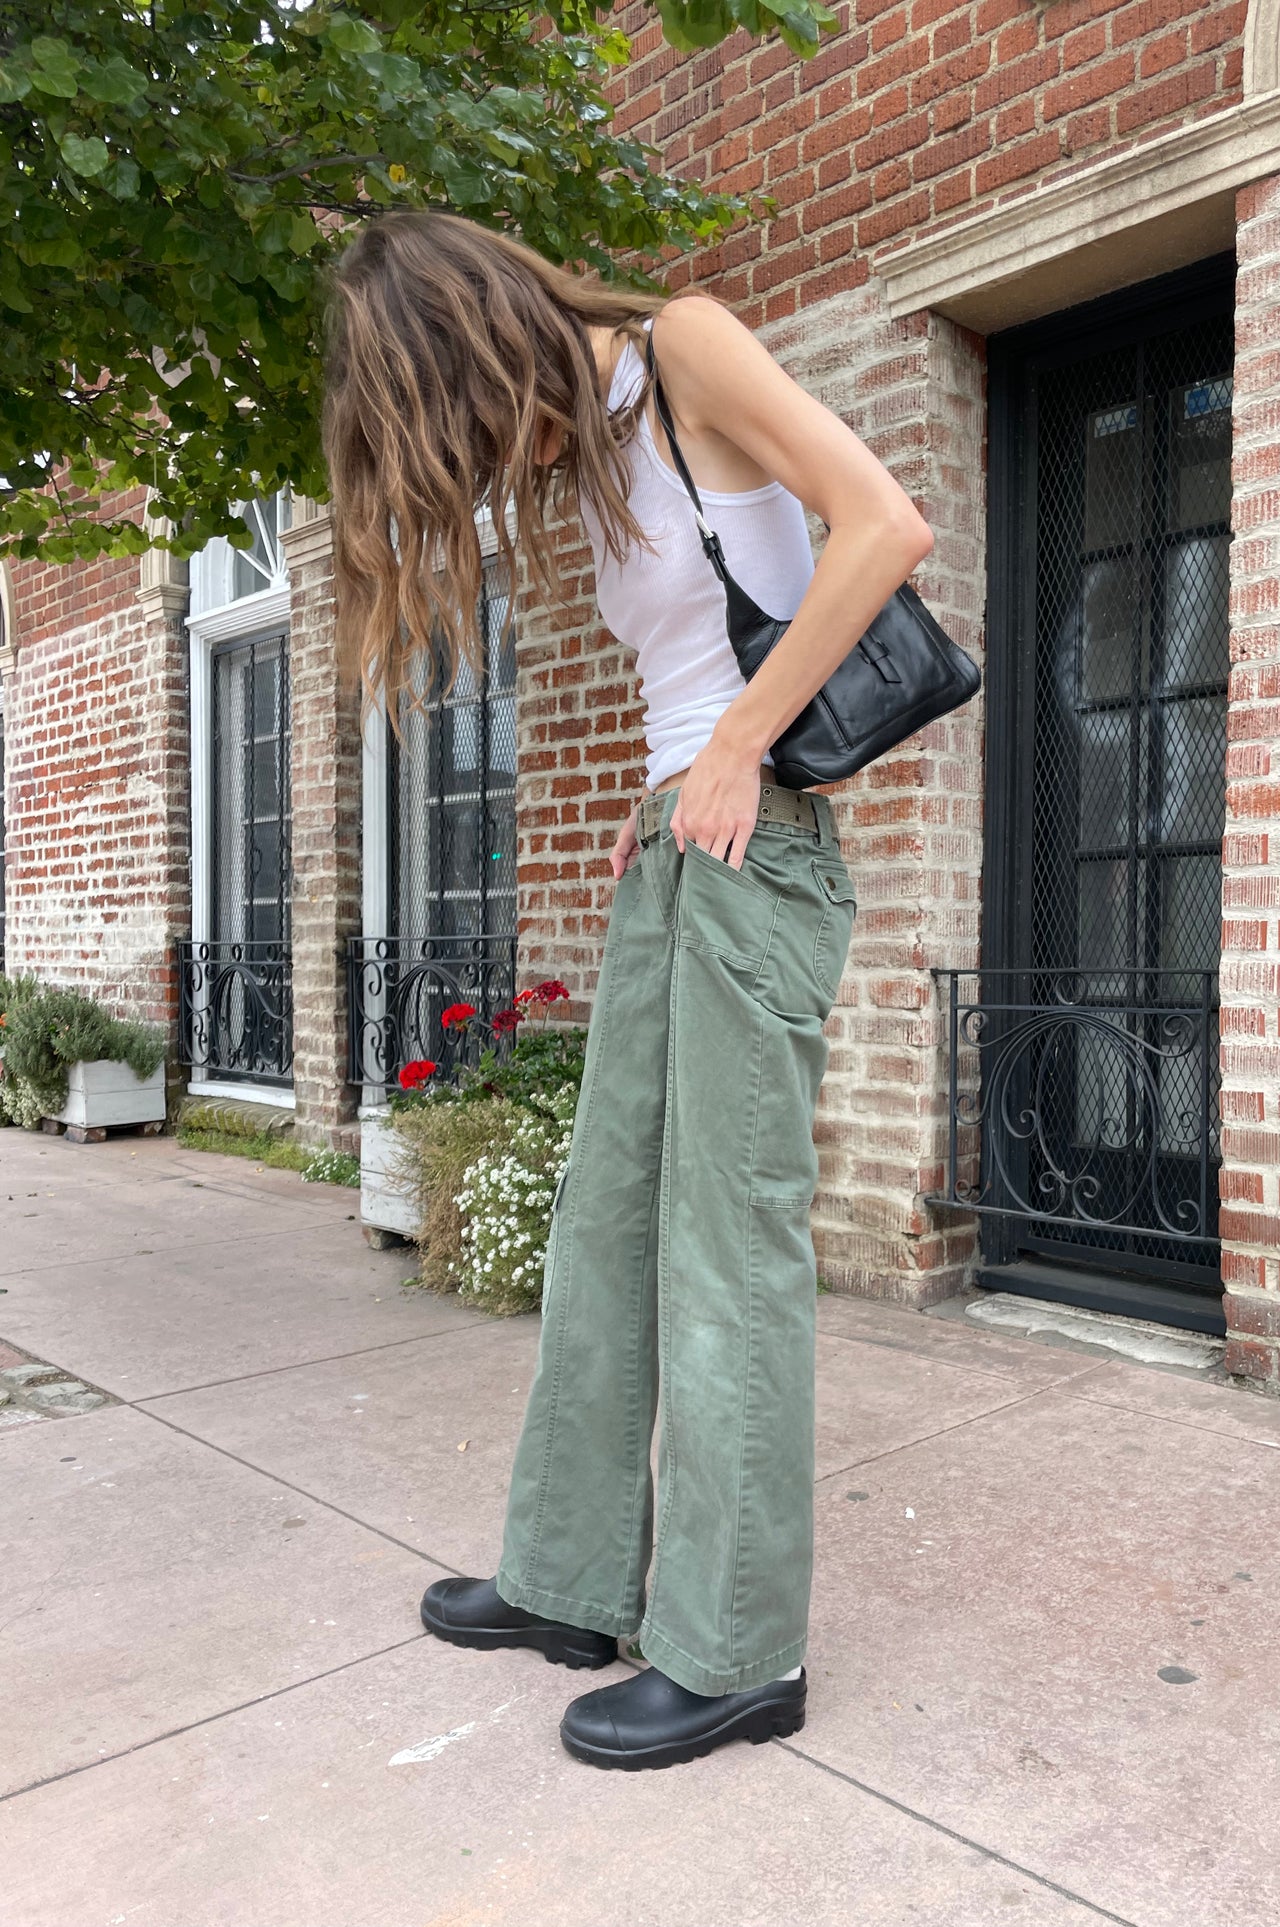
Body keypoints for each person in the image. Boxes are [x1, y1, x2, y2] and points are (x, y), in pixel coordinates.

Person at [322, 210, 933, 1770]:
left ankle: (736, 1654)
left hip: (762, 853)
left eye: (459, 420)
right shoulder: (586, 444)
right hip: (682, 855)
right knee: (605, 1224)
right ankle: (570, 1581)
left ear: (486, 339)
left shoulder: (688, 349)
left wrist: (730, 749)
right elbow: (691, 660)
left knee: (727, 1252)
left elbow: (880, 527)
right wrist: (670, 775)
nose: (482, 461)